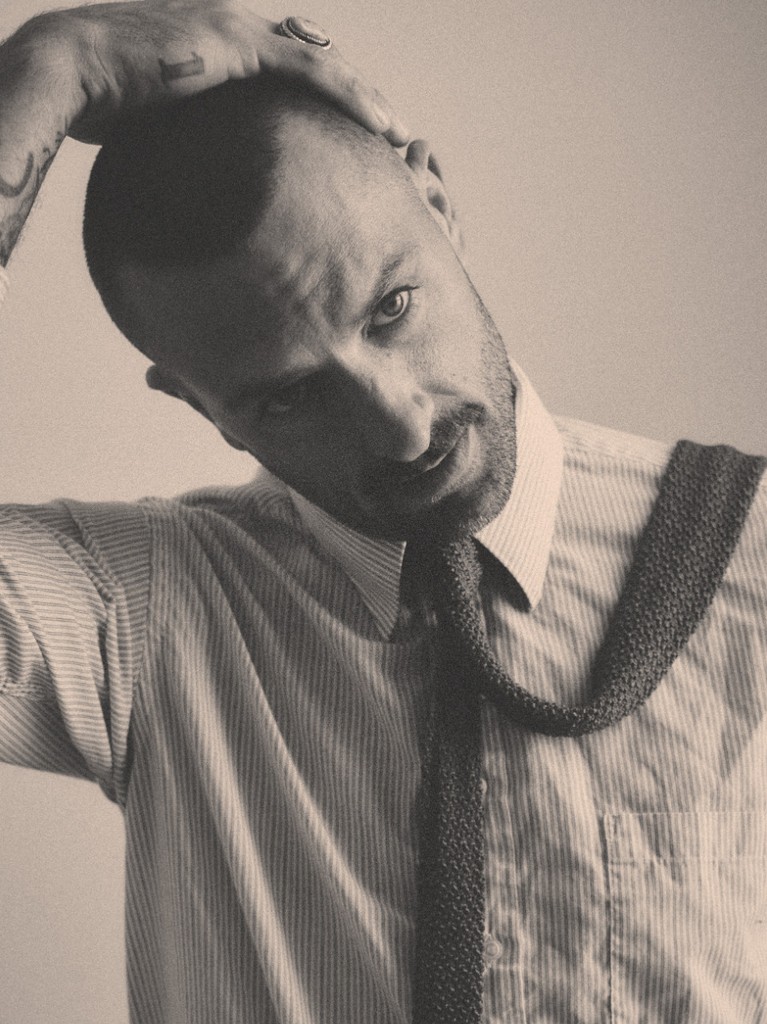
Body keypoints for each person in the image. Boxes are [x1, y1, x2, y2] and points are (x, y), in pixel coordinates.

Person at [1, 3, 765, 1023]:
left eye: (392, 309)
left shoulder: (751, 552)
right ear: (197, 403)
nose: (401, 429)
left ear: (437, 203)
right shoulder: (136, 614)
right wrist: (51, 65)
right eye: (289, 396)